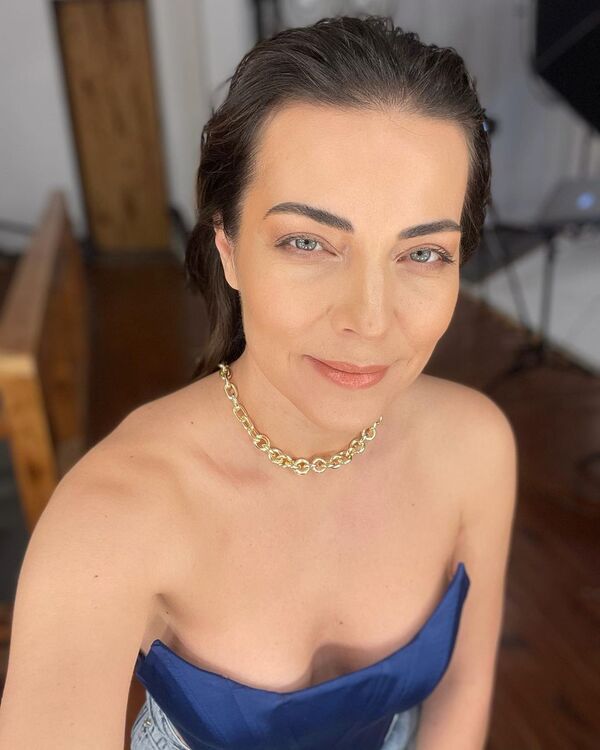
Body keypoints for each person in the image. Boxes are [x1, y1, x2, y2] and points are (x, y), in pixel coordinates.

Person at [0, 14, 518, 750]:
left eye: (424, 253)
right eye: (308, 242)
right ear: (229, 247)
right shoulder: (107, 522)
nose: (370, 320)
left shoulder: (476, 447)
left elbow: (464, 688)